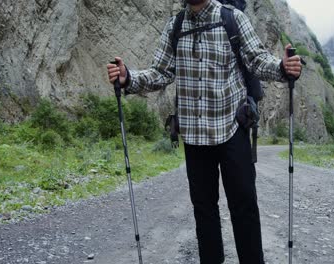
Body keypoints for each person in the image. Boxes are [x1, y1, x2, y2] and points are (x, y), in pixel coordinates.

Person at [107, 0, 302, 263]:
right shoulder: (175, 25)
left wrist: (282, 67)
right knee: (204, 210)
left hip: (231, 128)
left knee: (244, 206)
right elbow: (161, 72)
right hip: (194, 134)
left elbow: (257, 60)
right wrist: (128, 78)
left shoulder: (232, 18)